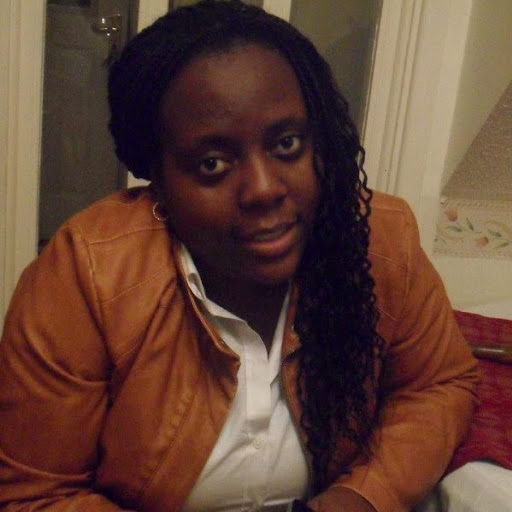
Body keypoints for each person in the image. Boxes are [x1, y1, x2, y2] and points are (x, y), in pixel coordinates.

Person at [0, 1, 479, 511]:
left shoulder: (377, 238)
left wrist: (360, 497)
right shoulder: (85, 275)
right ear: (157, 175)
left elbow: (437, 385)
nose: (264, 189)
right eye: (212, 164)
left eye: (287, 144)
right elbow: (38, 494)